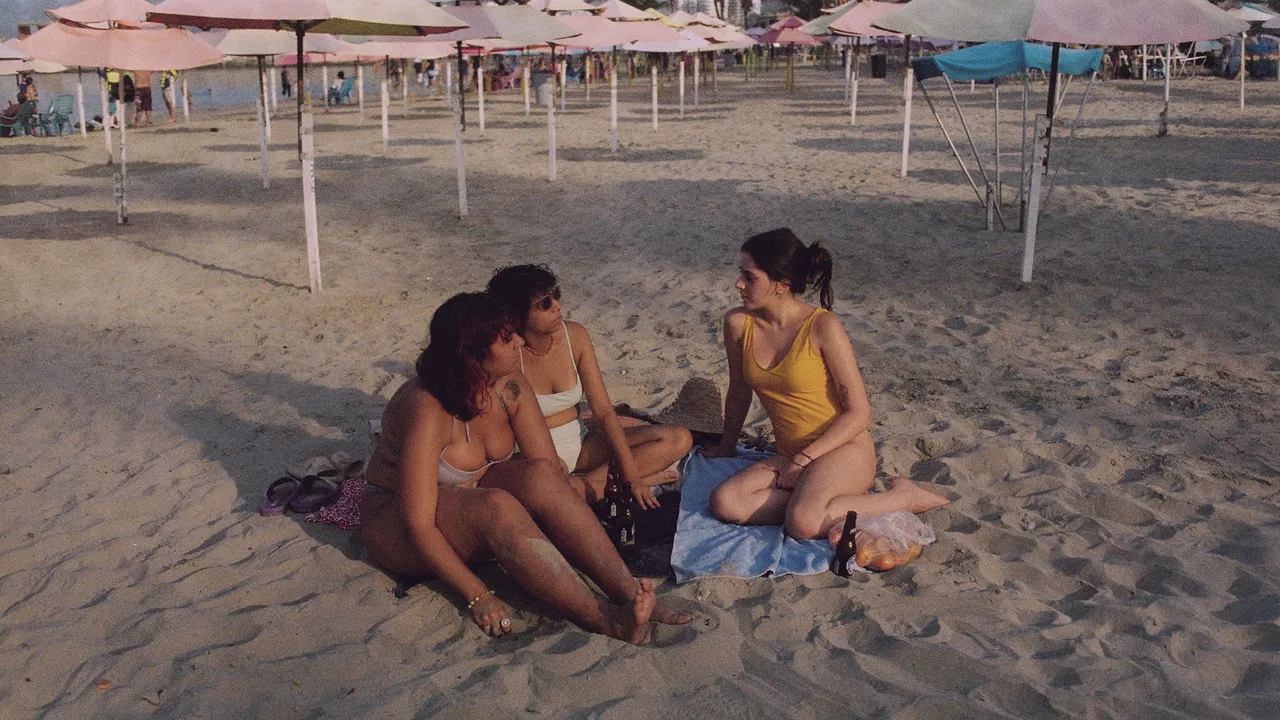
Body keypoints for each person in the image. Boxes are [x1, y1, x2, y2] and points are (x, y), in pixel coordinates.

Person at [359, 293, 692, 642]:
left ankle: (626, 590)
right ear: (471, 353)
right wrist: (478, 594)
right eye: (506, 338)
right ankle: (606, 619)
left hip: (465, 496)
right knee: (497, 506)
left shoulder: (509, 385)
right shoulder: (427, 408)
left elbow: (550, 471)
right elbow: (420, 524)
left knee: (541, 476)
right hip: (396, 521)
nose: (520, 340)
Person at [705, 229, 951, 542]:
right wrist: (726, 448)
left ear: (782, 284)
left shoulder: (822, 327)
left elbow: (859, 414)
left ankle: (903, 497)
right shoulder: (738, 324)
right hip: (790, 453)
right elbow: (739, 391)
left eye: (750, 277)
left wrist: (803, 461)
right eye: (740, 274)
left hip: (842, 450)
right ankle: (827, 503)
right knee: (725, 503)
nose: (739, 284)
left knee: (803, 525)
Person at [486, 266, 693, 510]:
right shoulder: (508, 355)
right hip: (535, 457)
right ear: (517, 315)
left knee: (679, 438)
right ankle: (605, 485)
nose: (557, 306)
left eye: (556, 295)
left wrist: (632, 475)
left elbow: (603, 410)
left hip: (583, 443)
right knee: (550, 488)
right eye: (544, 304)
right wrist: (634, 478)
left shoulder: (575, 335)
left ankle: (598, 484)